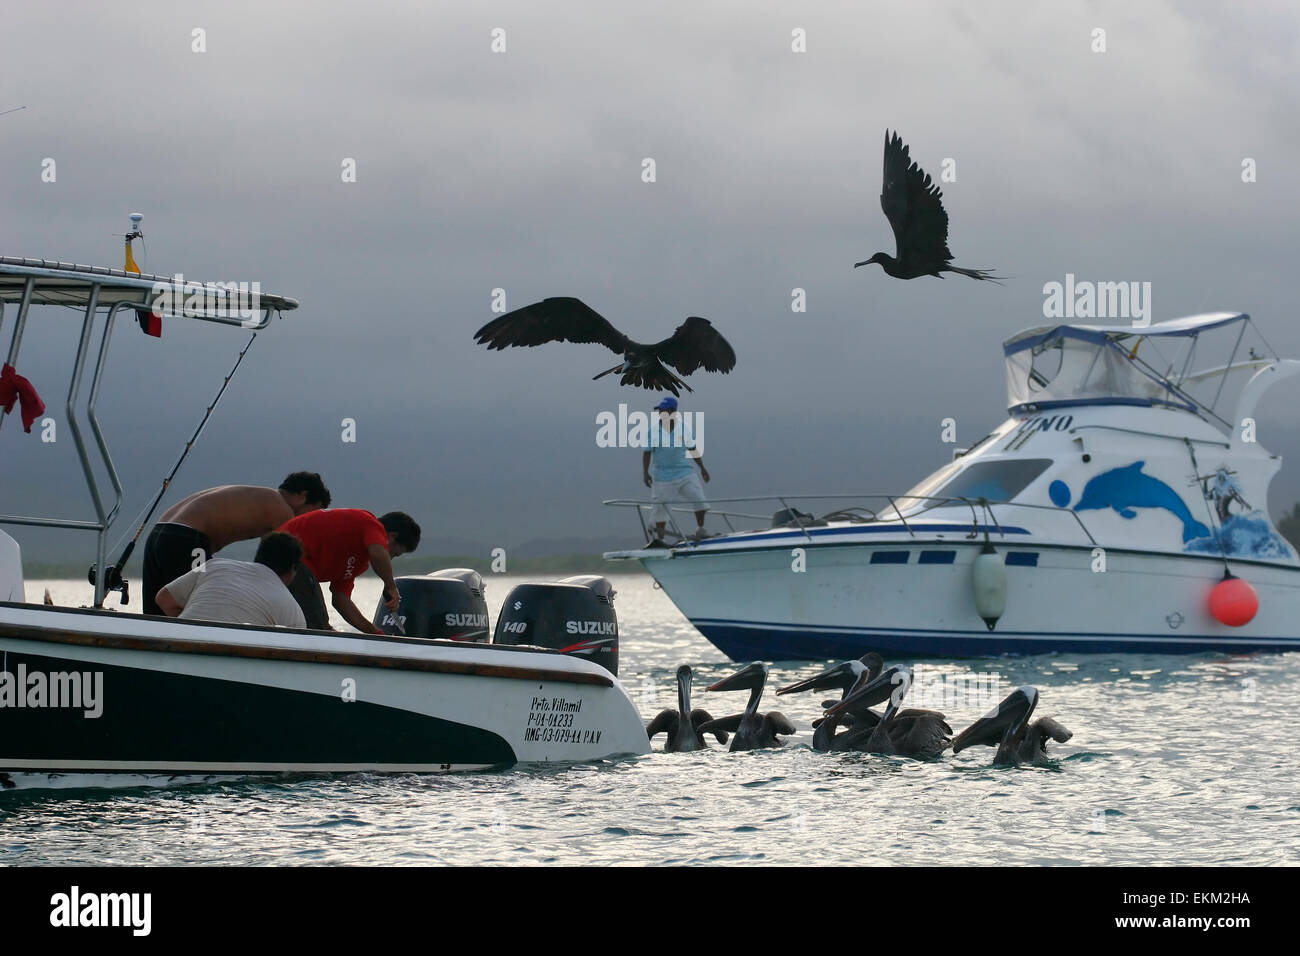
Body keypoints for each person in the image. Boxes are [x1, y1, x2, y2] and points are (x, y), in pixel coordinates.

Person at [141, 472, 331, 615]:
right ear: (303, 496)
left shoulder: (260, 497)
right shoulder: (281, 509)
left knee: (155, 612)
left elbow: (266, 562)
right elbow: (279, 566)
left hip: (159, 534)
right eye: (313, 512)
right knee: (197, 604)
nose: (308, 521)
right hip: (188, 540)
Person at [279, 508, 421, 634]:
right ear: (391, 537)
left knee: (321, 627)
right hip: (284, 554)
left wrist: (375, 633)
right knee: (319, 628)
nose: (389, 559)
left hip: (292, 569)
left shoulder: (359, 561)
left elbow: (341, 600)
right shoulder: (370, 523)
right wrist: (390, 586)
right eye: (395, 554)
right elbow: (378, 553)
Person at [154, 532, 307, 628]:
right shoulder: (292, 608)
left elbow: (164, 599)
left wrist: (191, 627)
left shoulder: (214, 565)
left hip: (178, 641)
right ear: (293, 568)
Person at [642, 396, 710, 544]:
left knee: (699, 498)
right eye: (659, 411)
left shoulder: (684, 428)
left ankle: (700, 529)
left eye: (663, 411)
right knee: (661, 507)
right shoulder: (653, 431)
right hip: (661, 475)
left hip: (684, 472)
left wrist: (703, 468)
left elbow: (692, 449)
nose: (660, 413)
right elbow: (647, 452)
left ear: (672, 412)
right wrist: (645, 473)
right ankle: (660, 539)